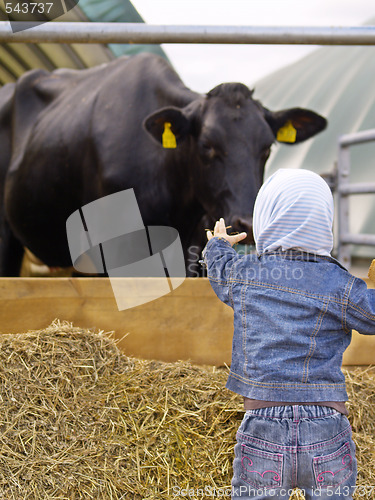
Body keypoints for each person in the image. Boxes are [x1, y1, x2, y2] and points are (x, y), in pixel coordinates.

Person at [203, 168, 375, 500]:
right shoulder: (339, 285)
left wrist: (218, 246)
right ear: (325, 222)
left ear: (264, 219)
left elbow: (221, 271)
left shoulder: (246, 274)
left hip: (262, 422)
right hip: (326, 423)